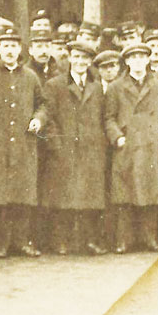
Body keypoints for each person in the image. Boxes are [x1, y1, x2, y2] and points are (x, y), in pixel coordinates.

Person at [0, 25, 48, 259]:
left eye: (14, 46)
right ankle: (0, 244)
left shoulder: (31, 77)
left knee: (23, 197)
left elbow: (43, 104)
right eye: (5, 46)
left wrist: (38, 119)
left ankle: (21, 242)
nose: (10, 51)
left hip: (24, 146)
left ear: (20, 49)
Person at [104, 41, 158, 253]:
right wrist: (118, 138)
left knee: (150, 195)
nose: (138, 62)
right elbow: (108, 118)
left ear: (147, 60)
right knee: (125, 196)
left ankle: (149, 238)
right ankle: (123, 240)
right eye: (133, 58)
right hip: (127, 147)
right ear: (127, 62)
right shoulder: (116, 87)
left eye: (142, 57)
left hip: (151, 146)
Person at [40, 41, 109, 255]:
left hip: (90, 148)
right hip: (65, 147)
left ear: (90, 62)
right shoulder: (55, 84)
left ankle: (88, 240)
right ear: (69, 59)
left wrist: (99, 144)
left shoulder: (96, 86)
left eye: (85, 59)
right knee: (64, 198)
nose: (80, 62)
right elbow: (48, 116)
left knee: (89, 198)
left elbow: (102, 116)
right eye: (77, 58)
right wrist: (56, 143)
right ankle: (61, 241)